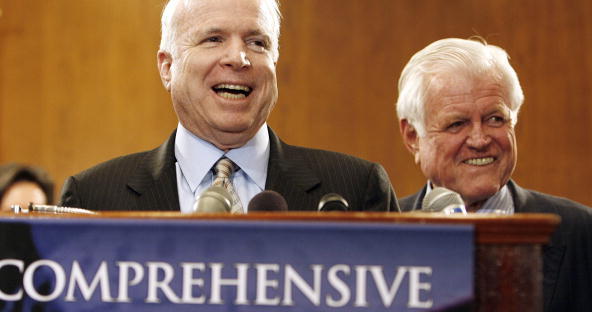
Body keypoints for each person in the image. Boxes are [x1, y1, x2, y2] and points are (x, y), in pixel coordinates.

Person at [395, 37, 592, 312]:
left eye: (495, 119)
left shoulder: (582, 236)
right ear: (413, 136)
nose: (481, 138)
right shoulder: (380, 237)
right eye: (456, 123)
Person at [59, 0, 397, 212]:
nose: (239, 58)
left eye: (256, 42)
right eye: (213, 39)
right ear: (167, 67)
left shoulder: (357, 189)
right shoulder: (94, 198)